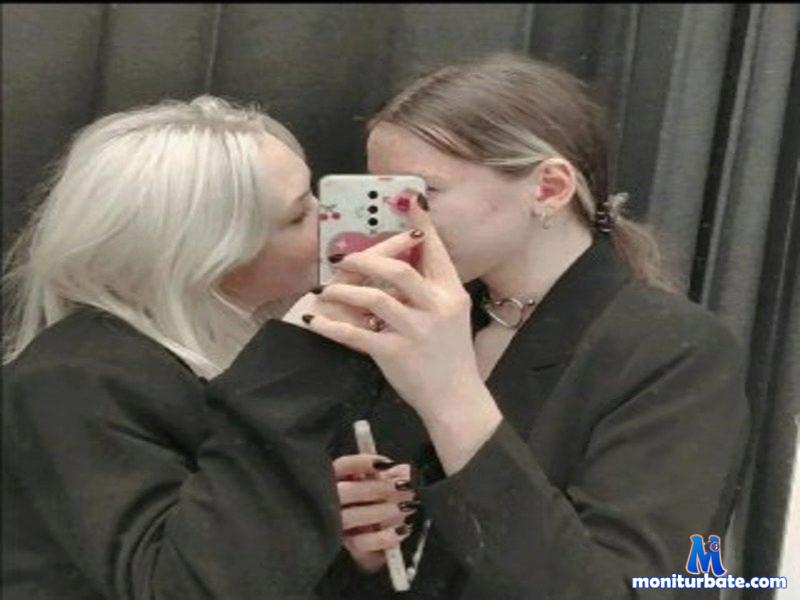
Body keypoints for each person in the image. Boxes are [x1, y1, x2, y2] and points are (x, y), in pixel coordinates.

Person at [308, 52, 752, 599]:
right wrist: (365, 552)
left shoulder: (674, 352)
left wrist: (451, 398)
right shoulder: (418, 318)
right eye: (381, 192)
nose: (398, 218)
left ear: (549, 188)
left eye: (423, 192)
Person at [1, 95, 422, 599]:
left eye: (315, 197)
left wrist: (329, 533)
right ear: (208, 254)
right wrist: (290, 378)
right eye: (297, 216)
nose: (330, 221)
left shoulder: (229, 341)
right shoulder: (74, 381)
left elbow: (233, 553)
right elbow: (183, 587)